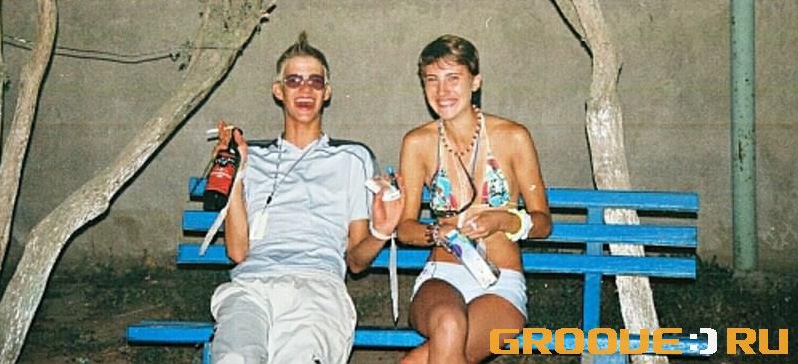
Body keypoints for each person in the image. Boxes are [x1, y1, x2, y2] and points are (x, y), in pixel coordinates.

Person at [209, 32, 404, 364]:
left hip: (317, 288)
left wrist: (381, 232)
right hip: (251, 287)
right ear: (278, 90)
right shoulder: (252, 157)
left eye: (315, 81)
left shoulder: (352, 158)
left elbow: (356, 262)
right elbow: (238, 252)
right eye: (294, 81)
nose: (305, 90)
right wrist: (236, 174)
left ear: (326, 92)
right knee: (235, 358)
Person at [396, 34, 552, 363]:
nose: (442, 91)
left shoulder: (513, 137)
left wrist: (505, 220)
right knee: (449, 324)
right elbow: (405, 228)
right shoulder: (417, 143)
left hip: (501, 282)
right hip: (441, 276)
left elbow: (543, 223)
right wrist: (436, 232)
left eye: (453, 78)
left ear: (475, 81)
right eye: (432, 80)